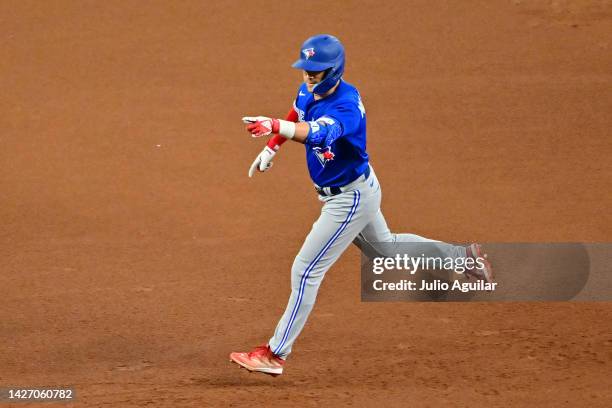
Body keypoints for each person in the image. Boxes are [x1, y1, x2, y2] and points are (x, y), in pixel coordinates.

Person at [229, 34, 493, 376]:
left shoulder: (346, 107)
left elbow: (318, 133)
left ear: (334, 71)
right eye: (306, 69)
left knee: (306, 270)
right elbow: (298, 109)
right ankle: (465, 258)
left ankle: (275, 354)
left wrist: (275, 127)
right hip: (354, 192)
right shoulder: (310, 90)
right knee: (387, 251)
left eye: (316, 71)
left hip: (349, 199)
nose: (309, 76)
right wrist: (272, 147)